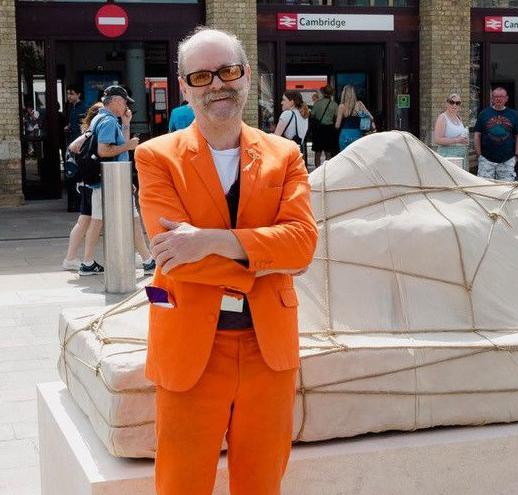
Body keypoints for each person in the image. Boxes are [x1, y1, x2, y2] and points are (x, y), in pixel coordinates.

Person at [134, 27, 317, 495]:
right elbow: (176, 259)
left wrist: (213, 240)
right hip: (192, 346)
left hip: (267, 350)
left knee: (261, 483)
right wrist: (264, 256)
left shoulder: (285, 155)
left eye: (228, 71)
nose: (217, 84)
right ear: (184, 87)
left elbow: (302, 245)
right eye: (201, 75)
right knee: (181, 483)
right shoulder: (156, 157)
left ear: (247, 76)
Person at [78, 85, 154, 276]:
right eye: (125, 101)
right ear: (117, 101)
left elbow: (115, 148)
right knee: (133, 219)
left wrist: (126, 124)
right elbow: (104, 150)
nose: (126, 105)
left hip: (104, 179)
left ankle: (87, 262)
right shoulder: (109, 122)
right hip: (112, 180)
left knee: (97, 220)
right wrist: (128, 145)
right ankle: (148, 260)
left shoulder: (100, 118)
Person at [61, 102, 103, 271]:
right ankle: (74, 258)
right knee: (87, 221)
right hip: (89, 184)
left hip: (84, 183)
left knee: (83, 221)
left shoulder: (86, 132)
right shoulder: (91, 134)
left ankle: (71, 258)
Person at [473, 87, 518, 182]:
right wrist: (479, 155)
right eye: (496, 96)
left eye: (501, 96)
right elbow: (477, 135)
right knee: (484, 189)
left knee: (506, 190)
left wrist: (516, 155)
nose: (498, 99)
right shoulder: (483, 114)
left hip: (507, 160)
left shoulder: (514, 114)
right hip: (486, 160)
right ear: (492, 98)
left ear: (506, 98)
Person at [335, 84, 374, 152]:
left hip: (345, 134)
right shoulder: (359, 104)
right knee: (357, 156)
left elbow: (337, 126)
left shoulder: (341, 106)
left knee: (345, 157)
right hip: (357, 133)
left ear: (344, 94)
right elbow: (371, 117)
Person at [432, 92, 468, 164]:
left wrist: (464, 139)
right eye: (452, 102)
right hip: (447, 156)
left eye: (457, 103)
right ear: (447, 104)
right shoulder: (442, 118)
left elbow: (459, 137)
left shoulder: (458, 118)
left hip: (460, 156)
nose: (454, 105)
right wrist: (458, 140)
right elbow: (437, 140)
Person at [274, 89, 309, 159]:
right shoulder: (304, 115)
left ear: (292, 102)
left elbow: (275, 138)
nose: (281, 102)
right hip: (298, 153)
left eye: (284, 100)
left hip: (286, 153)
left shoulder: (287, 114)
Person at [310, 85, 338, 168]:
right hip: (329, 129)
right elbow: (336, 117)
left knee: (317, 152)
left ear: (323, 93)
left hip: (318, 130)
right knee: (328, 152)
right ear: (332, 94)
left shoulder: (317, 104)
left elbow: (312, 116)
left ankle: (317, 170)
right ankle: (327, 171)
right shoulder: (334, 105)